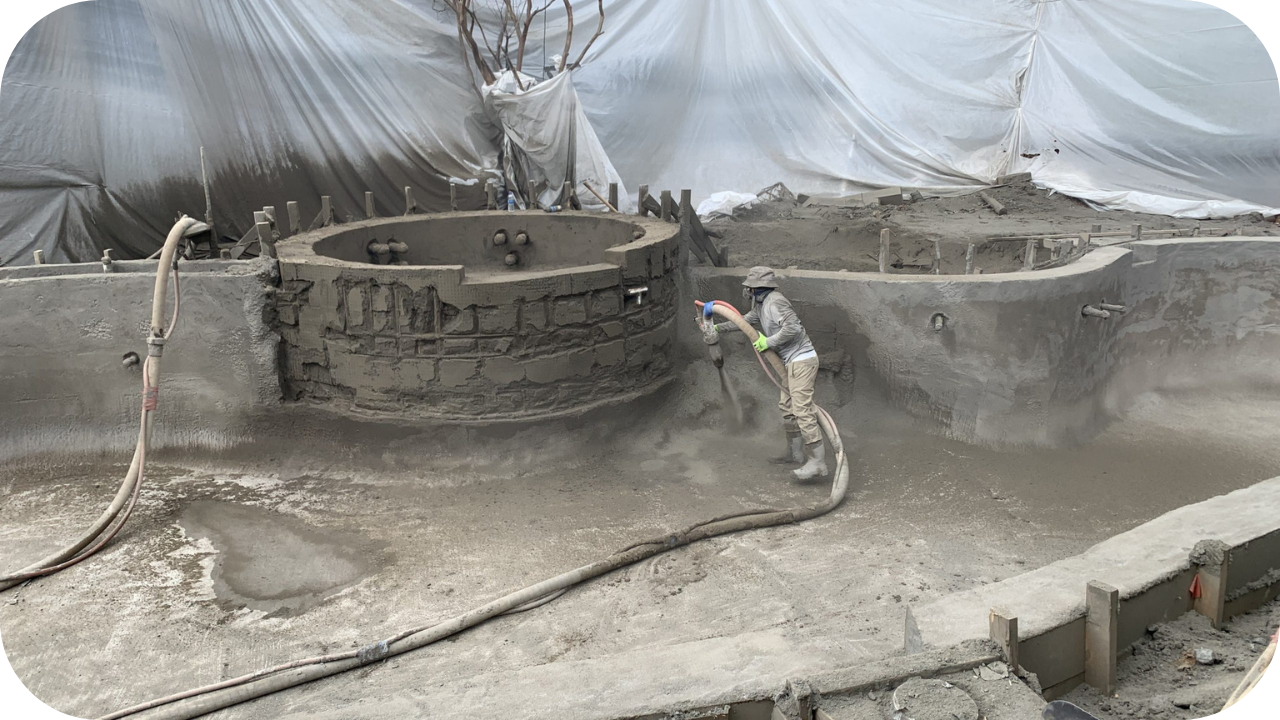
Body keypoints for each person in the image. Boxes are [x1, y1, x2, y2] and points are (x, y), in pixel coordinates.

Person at [714, 266, 827, 480]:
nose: (746, 291)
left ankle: (818, 462)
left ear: (757, 288)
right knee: (787, 406)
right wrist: (719, 328)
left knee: (802, 409)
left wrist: (768, 341)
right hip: (790, 362)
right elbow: (744, 322)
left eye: (749, 287)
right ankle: (795, 454)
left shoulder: (775, 302)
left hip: (802, 360)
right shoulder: (761, 304)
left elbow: (792, 327)